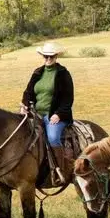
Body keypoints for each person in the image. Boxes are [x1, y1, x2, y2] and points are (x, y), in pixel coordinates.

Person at [20, 42, 74, 183]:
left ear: (56, 56)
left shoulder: (63, 74)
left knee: (52, 137)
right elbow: (28, 92)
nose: (48, 59)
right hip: (35, 113)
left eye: (51, 56)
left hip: (55, 115)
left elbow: (68, 98)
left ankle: (60, 171)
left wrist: (58, 114)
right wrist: (25, 105)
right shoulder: (38, 72)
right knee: (19, 132)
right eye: (46, 56)